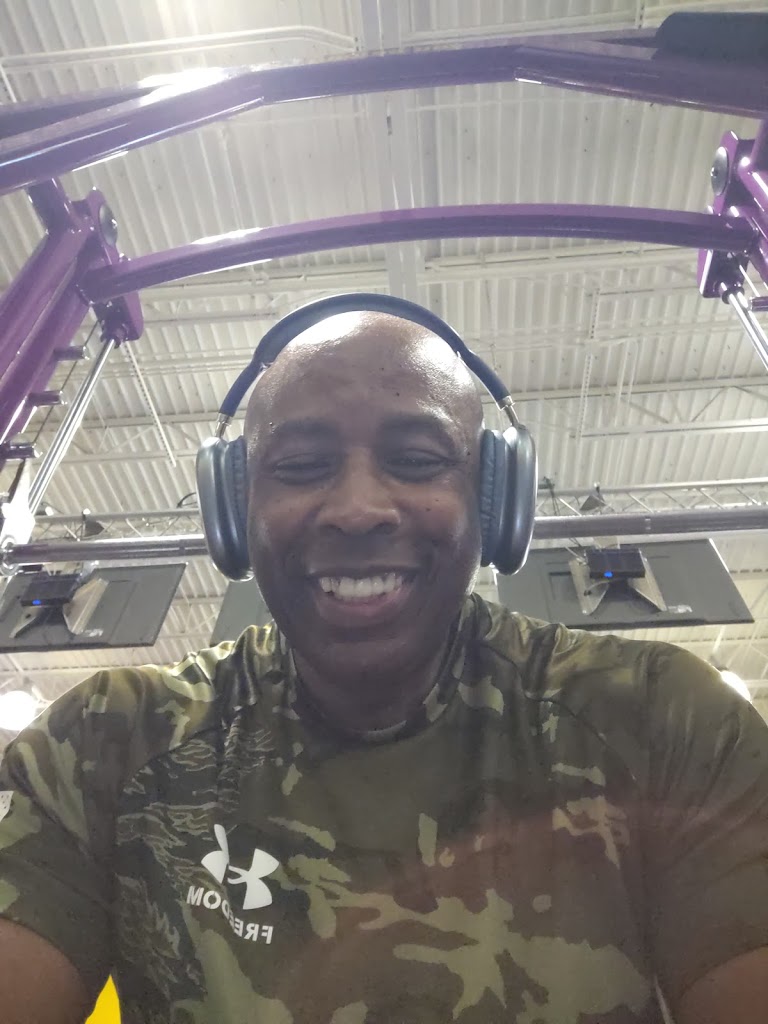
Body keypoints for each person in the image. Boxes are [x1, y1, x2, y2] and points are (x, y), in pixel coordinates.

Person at [1, 300, 768, 1024]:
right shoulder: (109, 743)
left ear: (495, 498)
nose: (358, 509)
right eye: (301, 466)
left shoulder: (659, 721)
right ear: (233, 509)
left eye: (417, 459)